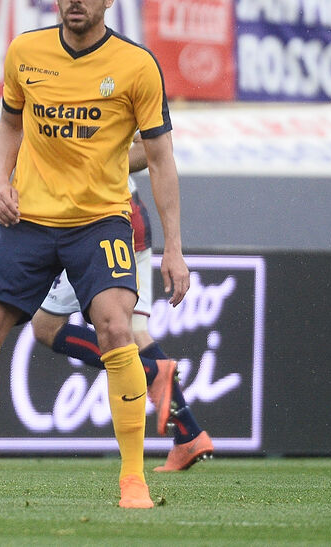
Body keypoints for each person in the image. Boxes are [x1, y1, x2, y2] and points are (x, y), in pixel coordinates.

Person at [0, 0, 190, 510]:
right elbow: (9, 125)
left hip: (101, 221)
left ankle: (133, 479)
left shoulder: (137, 66)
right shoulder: (26, 52)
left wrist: (173, 249)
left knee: (117, 328)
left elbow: (162, 159)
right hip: (30, 221)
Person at [30, 138, 213, 472]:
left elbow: (152, 148)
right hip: (119, 215)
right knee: (134, 333)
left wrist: (91, 167)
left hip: (98, 220)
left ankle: (150, 373)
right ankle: (188, 434)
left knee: (45, 326)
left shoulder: (105, 89)